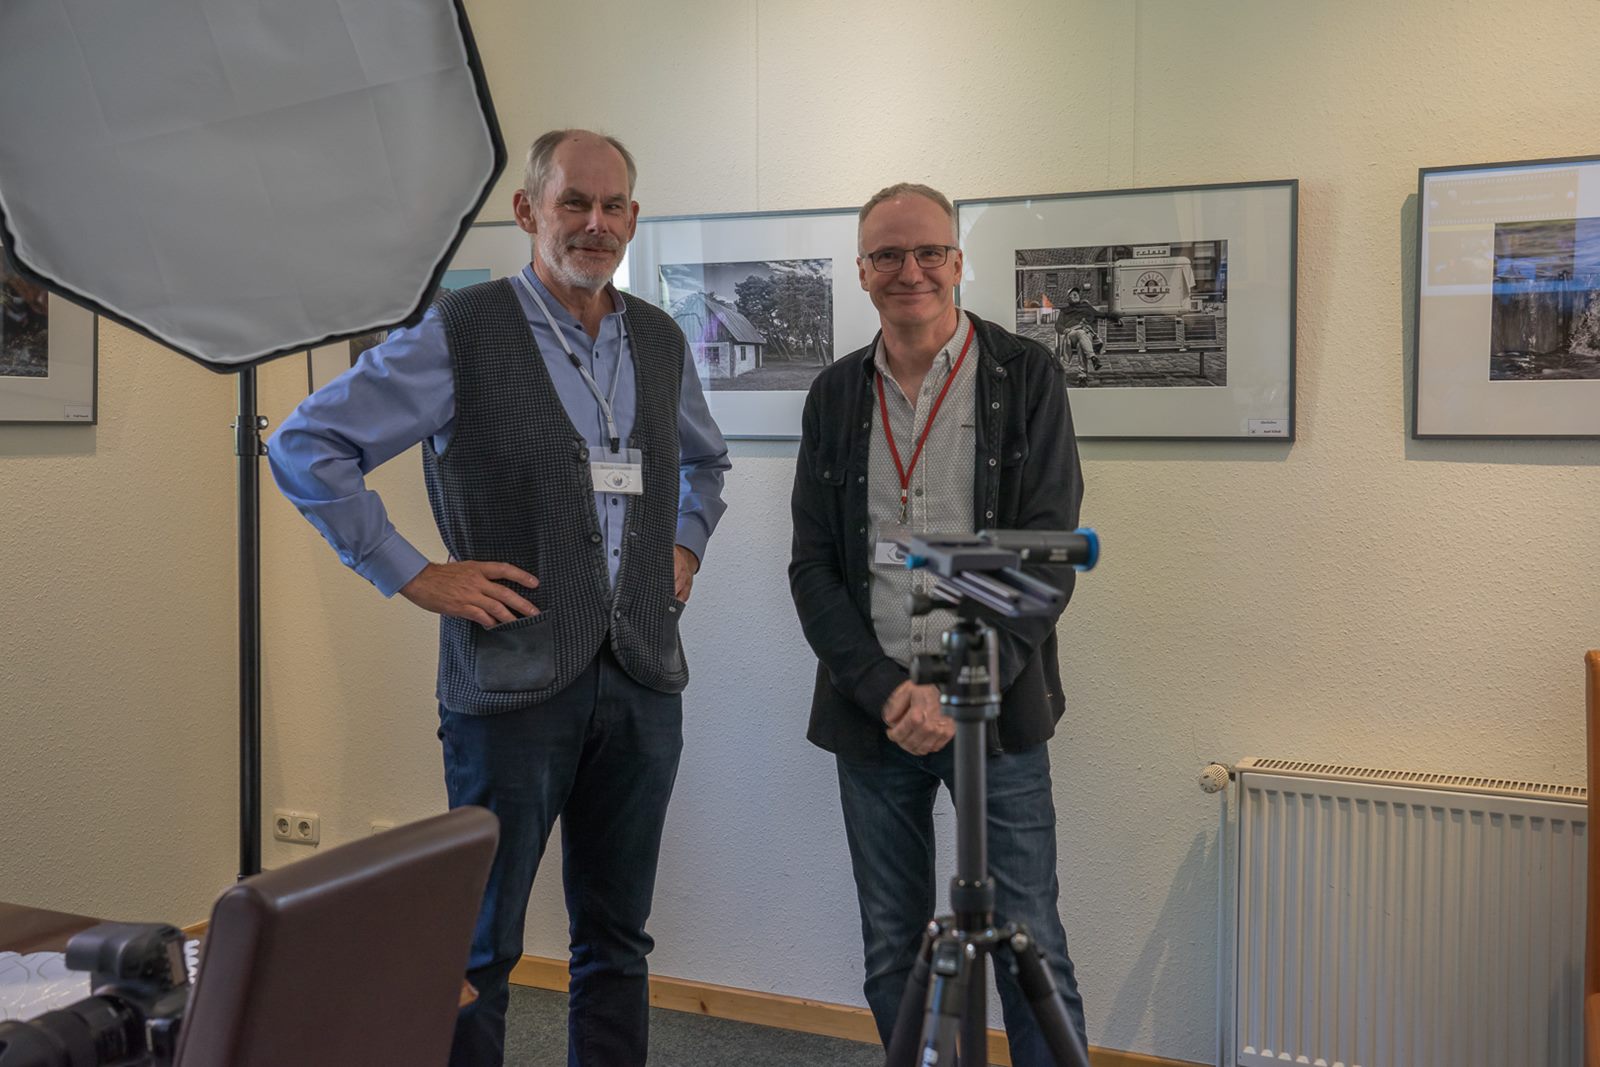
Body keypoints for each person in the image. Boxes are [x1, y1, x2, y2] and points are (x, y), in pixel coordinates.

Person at [268, 129, 730, 1067]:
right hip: (512, 681)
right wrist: (411, 571)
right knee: (480, 944)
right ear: (528, 210)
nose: (595, 224)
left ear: (633, 218)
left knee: (618, 939)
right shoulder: (461, 331)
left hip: (642, 678)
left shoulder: (658, 337)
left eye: (613, 206)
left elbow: (706, 463)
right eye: (574, 203)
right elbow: (305, 445)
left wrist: (683, 544)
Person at [787, 182, 1088, 1064]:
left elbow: (1045, 556)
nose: (908, 270)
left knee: (1031, 940)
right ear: (862, 271)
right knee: (894, 948)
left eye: (927, 252)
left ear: (958, 261)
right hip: (872, 711)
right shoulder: (835, 394)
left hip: (994, 712)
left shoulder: (1024, 377)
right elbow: (812, 567)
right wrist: (888, 692)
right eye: (887, 255)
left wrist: (954, 690)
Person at [1053, 285, 1121, 384]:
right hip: (1072, 334)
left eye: (1076, 294)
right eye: (1072, 294)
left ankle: (1082, 376)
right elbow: (1058, 325)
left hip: (1086, 335)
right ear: (1068, 298)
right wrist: (1064, 330)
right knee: (1081, 332)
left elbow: (1102, 315)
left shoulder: (1087, 308)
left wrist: (1116, 318)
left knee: (1081, 345)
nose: (1075, 295)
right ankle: (1093, 357)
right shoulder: (1065, 311)